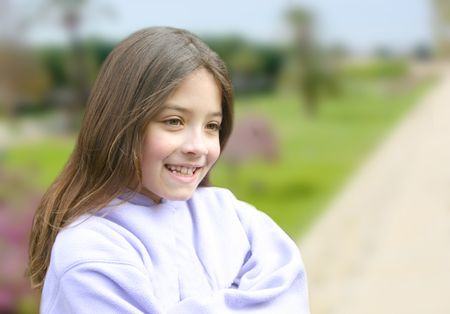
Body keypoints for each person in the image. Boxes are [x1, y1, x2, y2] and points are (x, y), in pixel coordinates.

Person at [28, 26, 310, 313]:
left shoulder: (237, 220)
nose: (198, 146)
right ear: (121, 122)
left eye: (212, 126)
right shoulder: (87, 252)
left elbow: (289, 299)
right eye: (174, 121)